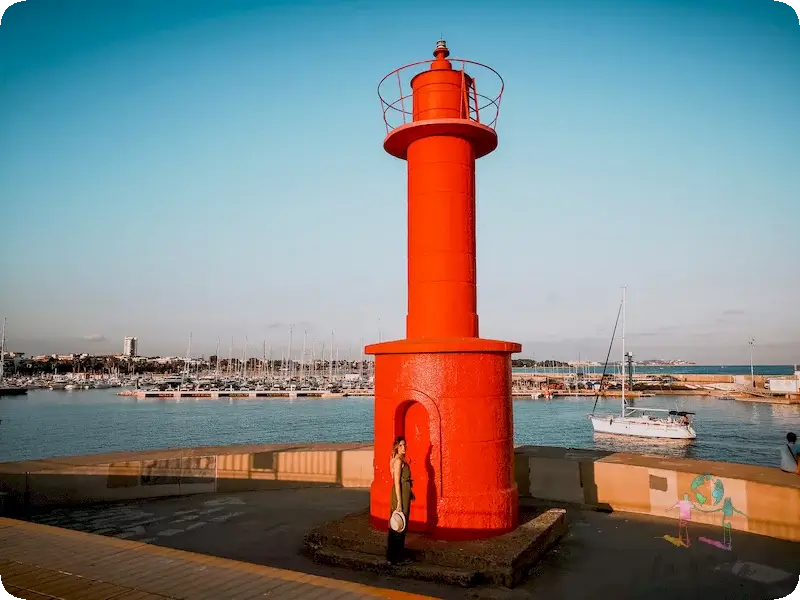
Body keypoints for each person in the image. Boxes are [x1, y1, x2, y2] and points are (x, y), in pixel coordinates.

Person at [386, 435, 413, 564]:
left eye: (405, 445)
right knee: (400, 525)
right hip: (400, 494)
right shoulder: (398, 461)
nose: (404, 448)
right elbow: (396, 482)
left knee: (396, 524)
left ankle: (393, 556)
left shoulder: (396, 459)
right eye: (401, 445)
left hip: (403, 492)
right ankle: (397, 557)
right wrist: (399, 502)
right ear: (396, 447)